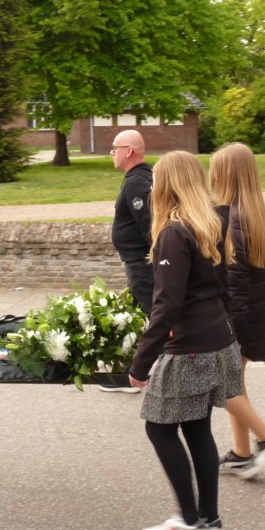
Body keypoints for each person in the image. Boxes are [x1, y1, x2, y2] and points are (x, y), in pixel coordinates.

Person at [127, 151, 242, 530]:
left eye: (157, 181)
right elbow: (224, 290)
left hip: (190, 349)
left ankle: (191, 522)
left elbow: (166, 306)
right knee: (196, 428)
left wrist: (140, 364)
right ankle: (209, 520)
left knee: (158, 428)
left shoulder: (174, 233)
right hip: (217, 341)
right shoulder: (211, 223)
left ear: (168, 185)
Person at [208, 142, 265, 479]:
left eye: (215, 171)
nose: (211, 177)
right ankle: (241, 453)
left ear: (226, 175)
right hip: (252, 316)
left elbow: (236, 284)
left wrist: (227, 328)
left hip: (237, 320)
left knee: (221, 383)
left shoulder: (233, 220)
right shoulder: (251, 213)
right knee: (234, 383)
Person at [106, 130, 153, 395]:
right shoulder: (139, 178)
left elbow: (149, 225)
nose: (112, 153)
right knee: (133, 317)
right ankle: (129, 373)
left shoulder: (137, 183)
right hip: (137, 263)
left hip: (142, 265)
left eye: (115, 148)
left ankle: (142, 373)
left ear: (129, 151)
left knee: (154, 317)